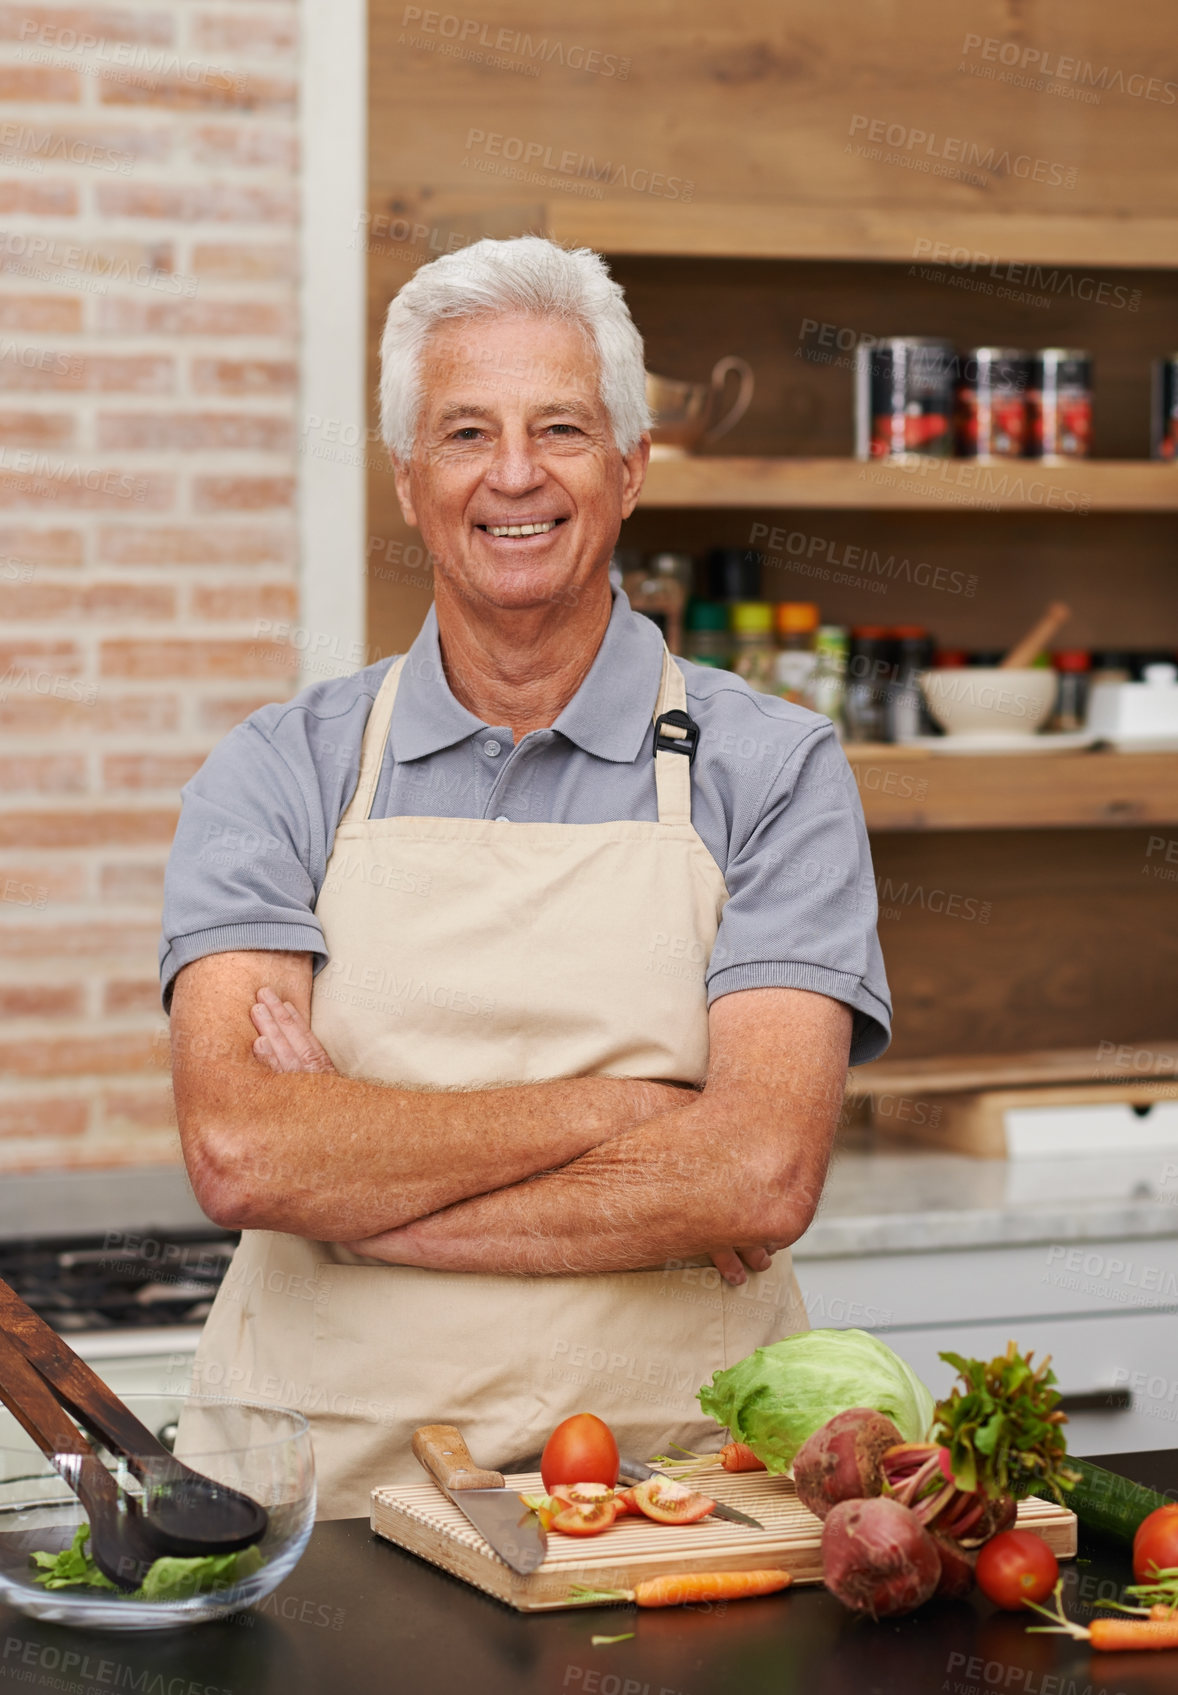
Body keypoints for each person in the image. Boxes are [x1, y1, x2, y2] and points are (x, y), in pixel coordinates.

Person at [161, 236, 891, 1519]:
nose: (513, 475)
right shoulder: (277, 770)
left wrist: (360, 1188)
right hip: (319, 1509)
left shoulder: (773, 771)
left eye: (559, 427)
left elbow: (757, 1174)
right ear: (407, 481)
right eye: (463, 433)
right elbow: (241, 1152)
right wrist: (630, 1111)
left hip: (680, 1504)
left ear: (628, 468)